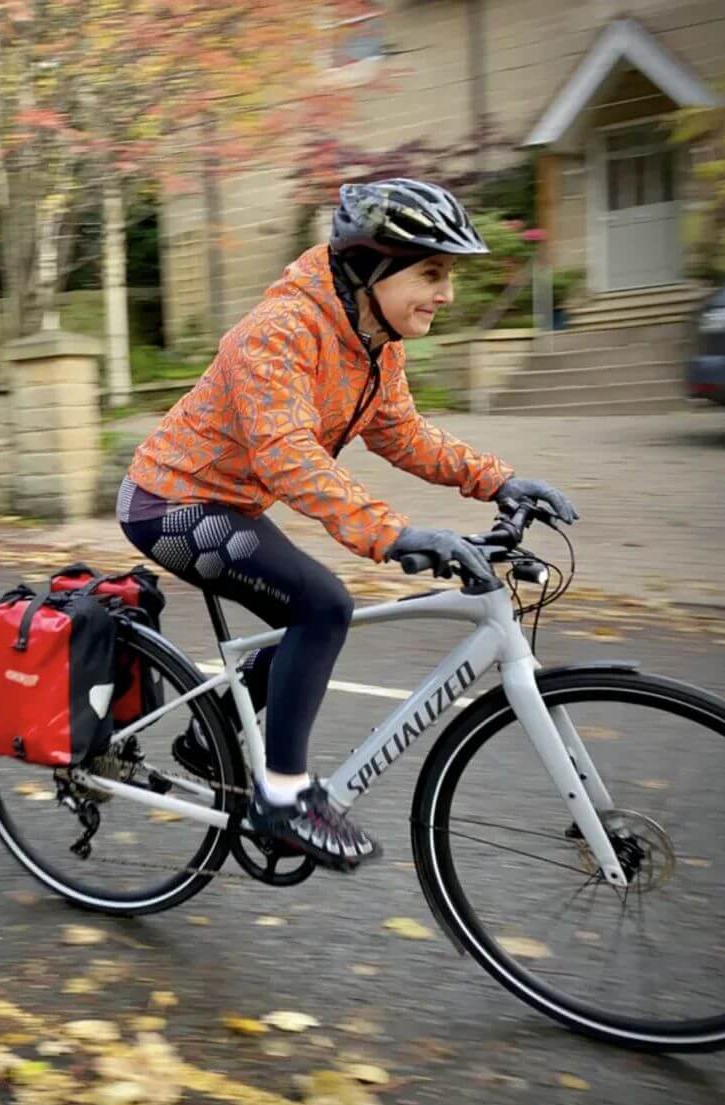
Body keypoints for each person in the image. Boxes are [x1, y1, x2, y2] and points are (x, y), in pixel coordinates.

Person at [118, 178, 578, 871]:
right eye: (431, 271)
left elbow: (403, 434)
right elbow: (290, 459)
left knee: (307, 609)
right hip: (168, 506)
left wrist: (500, 480)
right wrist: (391, 533)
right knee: (322, 603)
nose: (447, 293)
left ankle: (201, 738)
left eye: (448, 274)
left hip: (231, 503)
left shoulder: (374, 340)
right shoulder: (278, 333)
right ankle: (282, 796)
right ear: (371, 268)